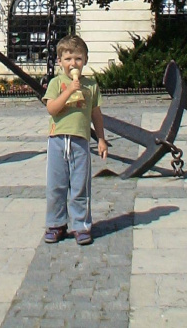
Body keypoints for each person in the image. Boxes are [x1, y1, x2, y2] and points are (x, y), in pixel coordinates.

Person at [43, 35, 108, 245]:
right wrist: (70, 90)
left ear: (85, 60)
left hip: (80, 141)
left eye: (78, 59)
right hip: (57, 140)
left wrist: (101, 139)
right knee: (56, 185)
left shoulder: (91, 86)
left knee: (80, 185)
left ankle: (81, 225)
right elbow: (51, 108)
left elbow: (96, 114)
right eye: (68, 58)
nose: (73, 63)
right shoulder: (56, 83)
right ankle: (56, 224)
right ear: (60, 61)